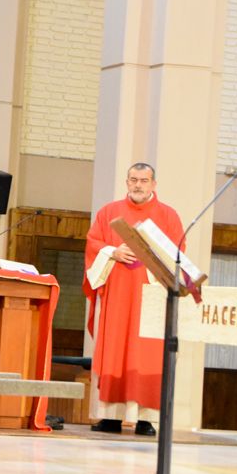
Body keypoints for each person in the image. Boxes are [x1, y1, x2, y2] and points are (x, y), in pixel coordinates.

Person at [83, 162, 184, 437]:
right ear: (127, 182)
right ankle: (110, 416)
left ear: (153, 184)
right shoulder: (109, 213)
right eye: (133, 180)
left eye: (144, 180)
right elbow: (93, 244)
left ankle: (145, 419)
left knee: (146, 355)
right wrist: (112, 252)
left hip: (149, 296)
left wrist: (148, 254)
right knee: (114, 350)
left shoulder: (168, 216)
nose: (138, 185)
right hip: (116, 294)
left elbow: (177, 254)